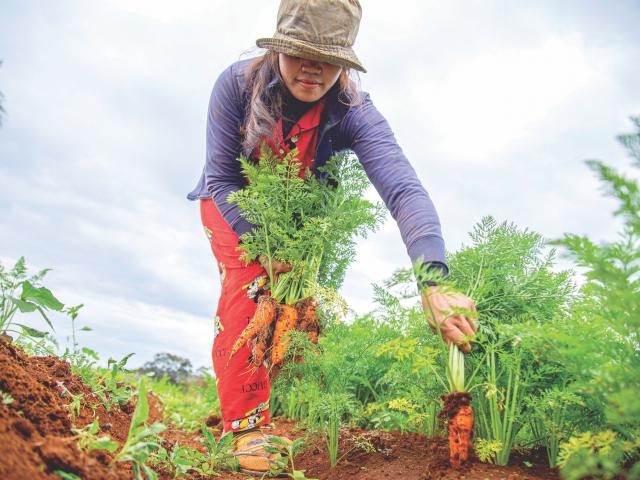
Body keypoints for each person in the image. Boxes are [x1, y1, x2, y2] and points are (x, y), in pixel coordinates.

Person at [187, 0, 478, 474]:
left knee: (288, 316)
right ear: (280, 46)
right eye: (301, 52)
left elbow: (403, 188)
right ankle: (241, 428)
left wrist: (434, 279)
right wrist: (264, 246)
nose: (314, 68)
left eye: (329, 58)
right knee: (251, 287)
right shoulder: (236, 85)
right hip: (232, 205)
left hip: (299, 217)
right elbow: (222, 179)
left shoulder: (353, 110)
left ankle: (251, 401)